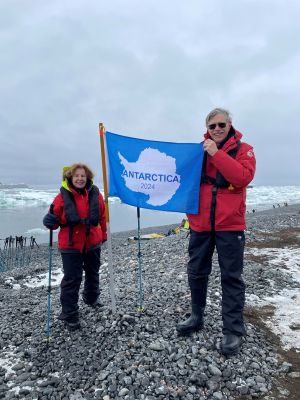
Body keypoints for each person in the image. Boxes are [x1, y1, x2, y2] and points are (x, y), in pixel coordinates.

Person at [176, 108, 256, 356]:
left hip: (230, 226)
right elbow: (178, 178)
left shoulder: (244, 150)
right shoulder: (197, 151)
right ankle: (197, 316)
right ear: (207, 129)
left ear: (230, 124)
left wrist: (216, 153)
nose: (217, 129)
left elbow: (242, 177)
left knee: (231, 277)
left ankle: (233, 330)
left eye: (221, 124)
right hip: (200, 224)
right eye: (212, 126)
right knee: (197, 272)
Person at [43, 163, 107, 331]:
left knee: (93, 272)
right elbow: (54, 219)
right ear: (70, 177)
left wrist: (104, 235)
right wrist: (49, 221)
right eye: (76, 176)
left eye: (83, 176)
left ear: (88, 178)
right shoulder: (61, 197)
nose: (80, 179)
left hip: (92, 241)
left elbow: (101, 216)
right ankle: (70, 314)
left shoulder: (96, 194)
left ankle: (92, 298)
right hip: (71, 243)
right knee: (72, 278)